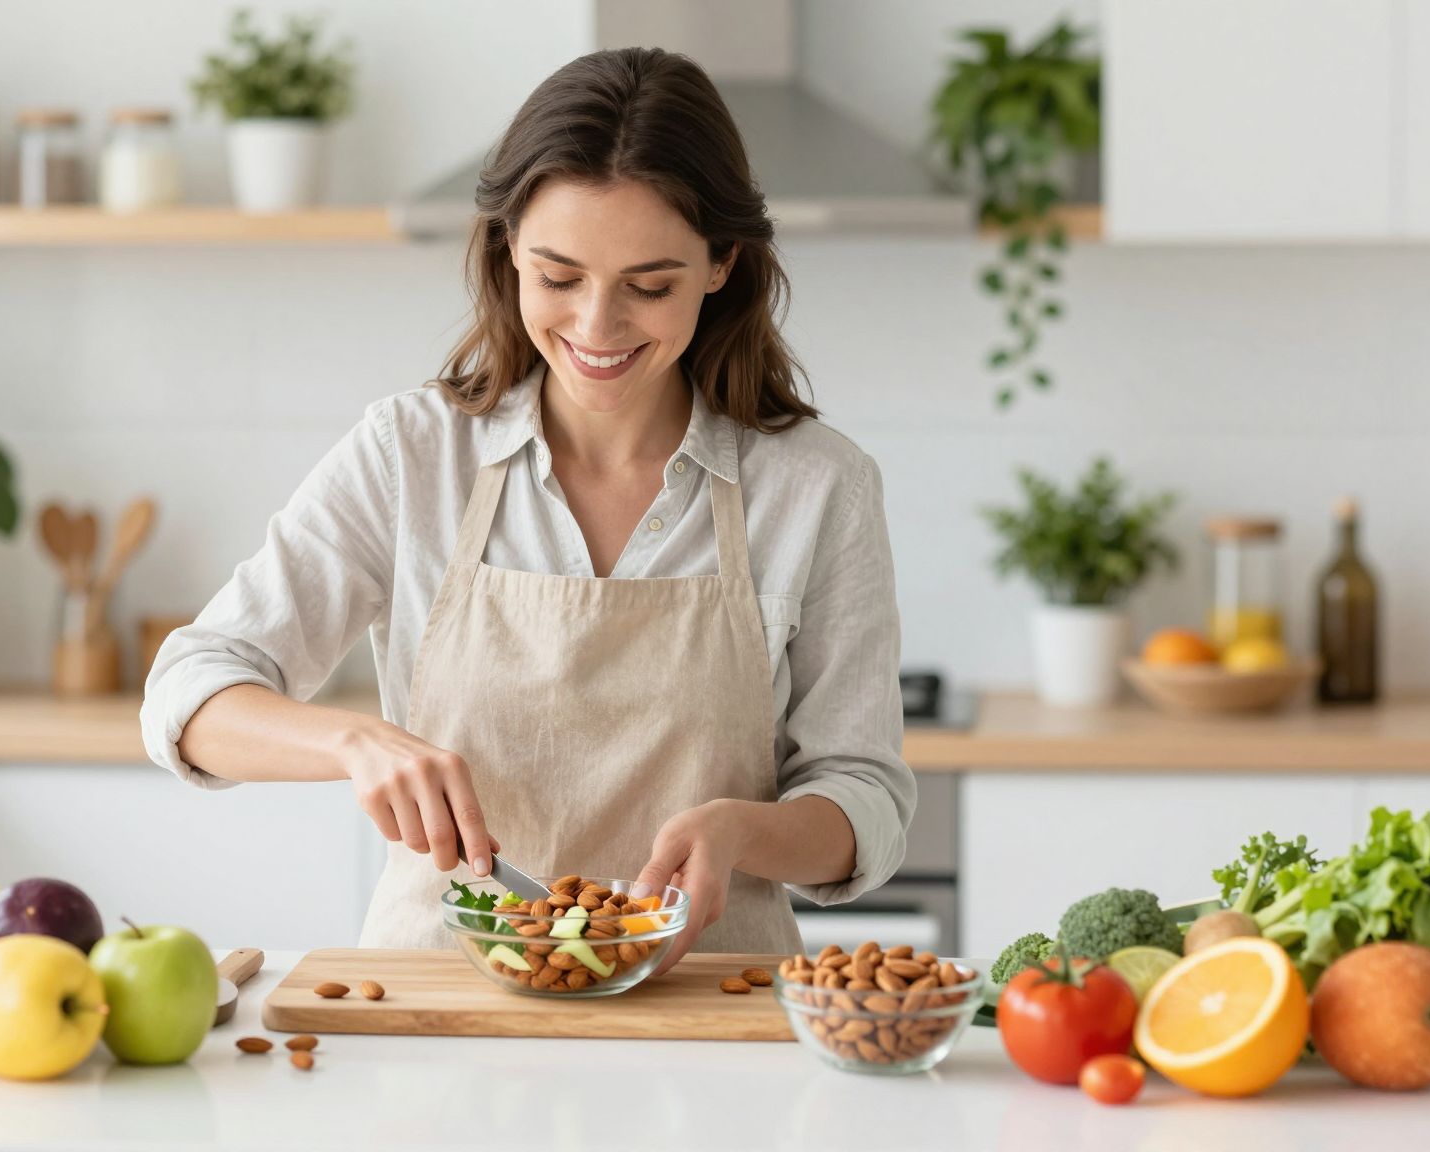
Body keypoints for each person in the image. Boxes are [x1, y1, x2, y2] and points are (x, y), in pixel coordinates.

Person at [141, 47, 912, 965]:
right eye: (558, 276)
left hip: (711, 1010)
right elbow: (188, 693)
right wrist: (354, 741)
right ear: (508, 250)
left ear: (721, 266)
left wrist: (747, 831)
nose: (596, 327)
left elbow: (864, 793)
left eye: (649, 286)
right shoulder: (412, 454)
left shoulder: (819, 486)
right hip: (440, 1016)